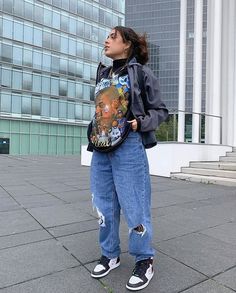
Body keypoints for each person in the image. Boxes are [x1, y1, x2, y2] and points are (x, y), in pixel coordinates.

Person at [87, 26, 168, 291]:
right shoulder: (103, 72)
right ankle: (110, 254)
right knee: (103, 206)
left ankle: (145, 259)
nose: (106, 40)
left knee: (135, 205)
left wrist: (140, 123)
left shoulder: (141, 73)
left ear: (128, 44)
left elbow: (161, 110)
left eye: (113, 37)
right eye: (107, 37)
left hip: (128, 146)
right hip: (100, 147)